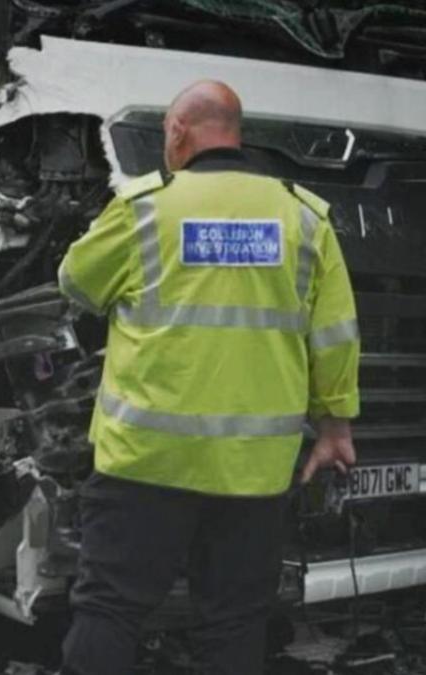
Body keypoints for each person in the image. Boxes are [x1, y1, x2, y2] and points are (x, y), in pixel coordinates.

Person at [56, 80, 360, 674]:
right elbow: (336, 336)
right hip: (253, 470)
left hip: (145, 463)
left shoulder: (145, 209)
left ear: (177, 132)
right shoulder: (303, 217)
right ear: (235, 132)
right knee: (234, 623)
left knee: (110, 610)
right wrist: (335, 427)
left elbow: (76, 282)